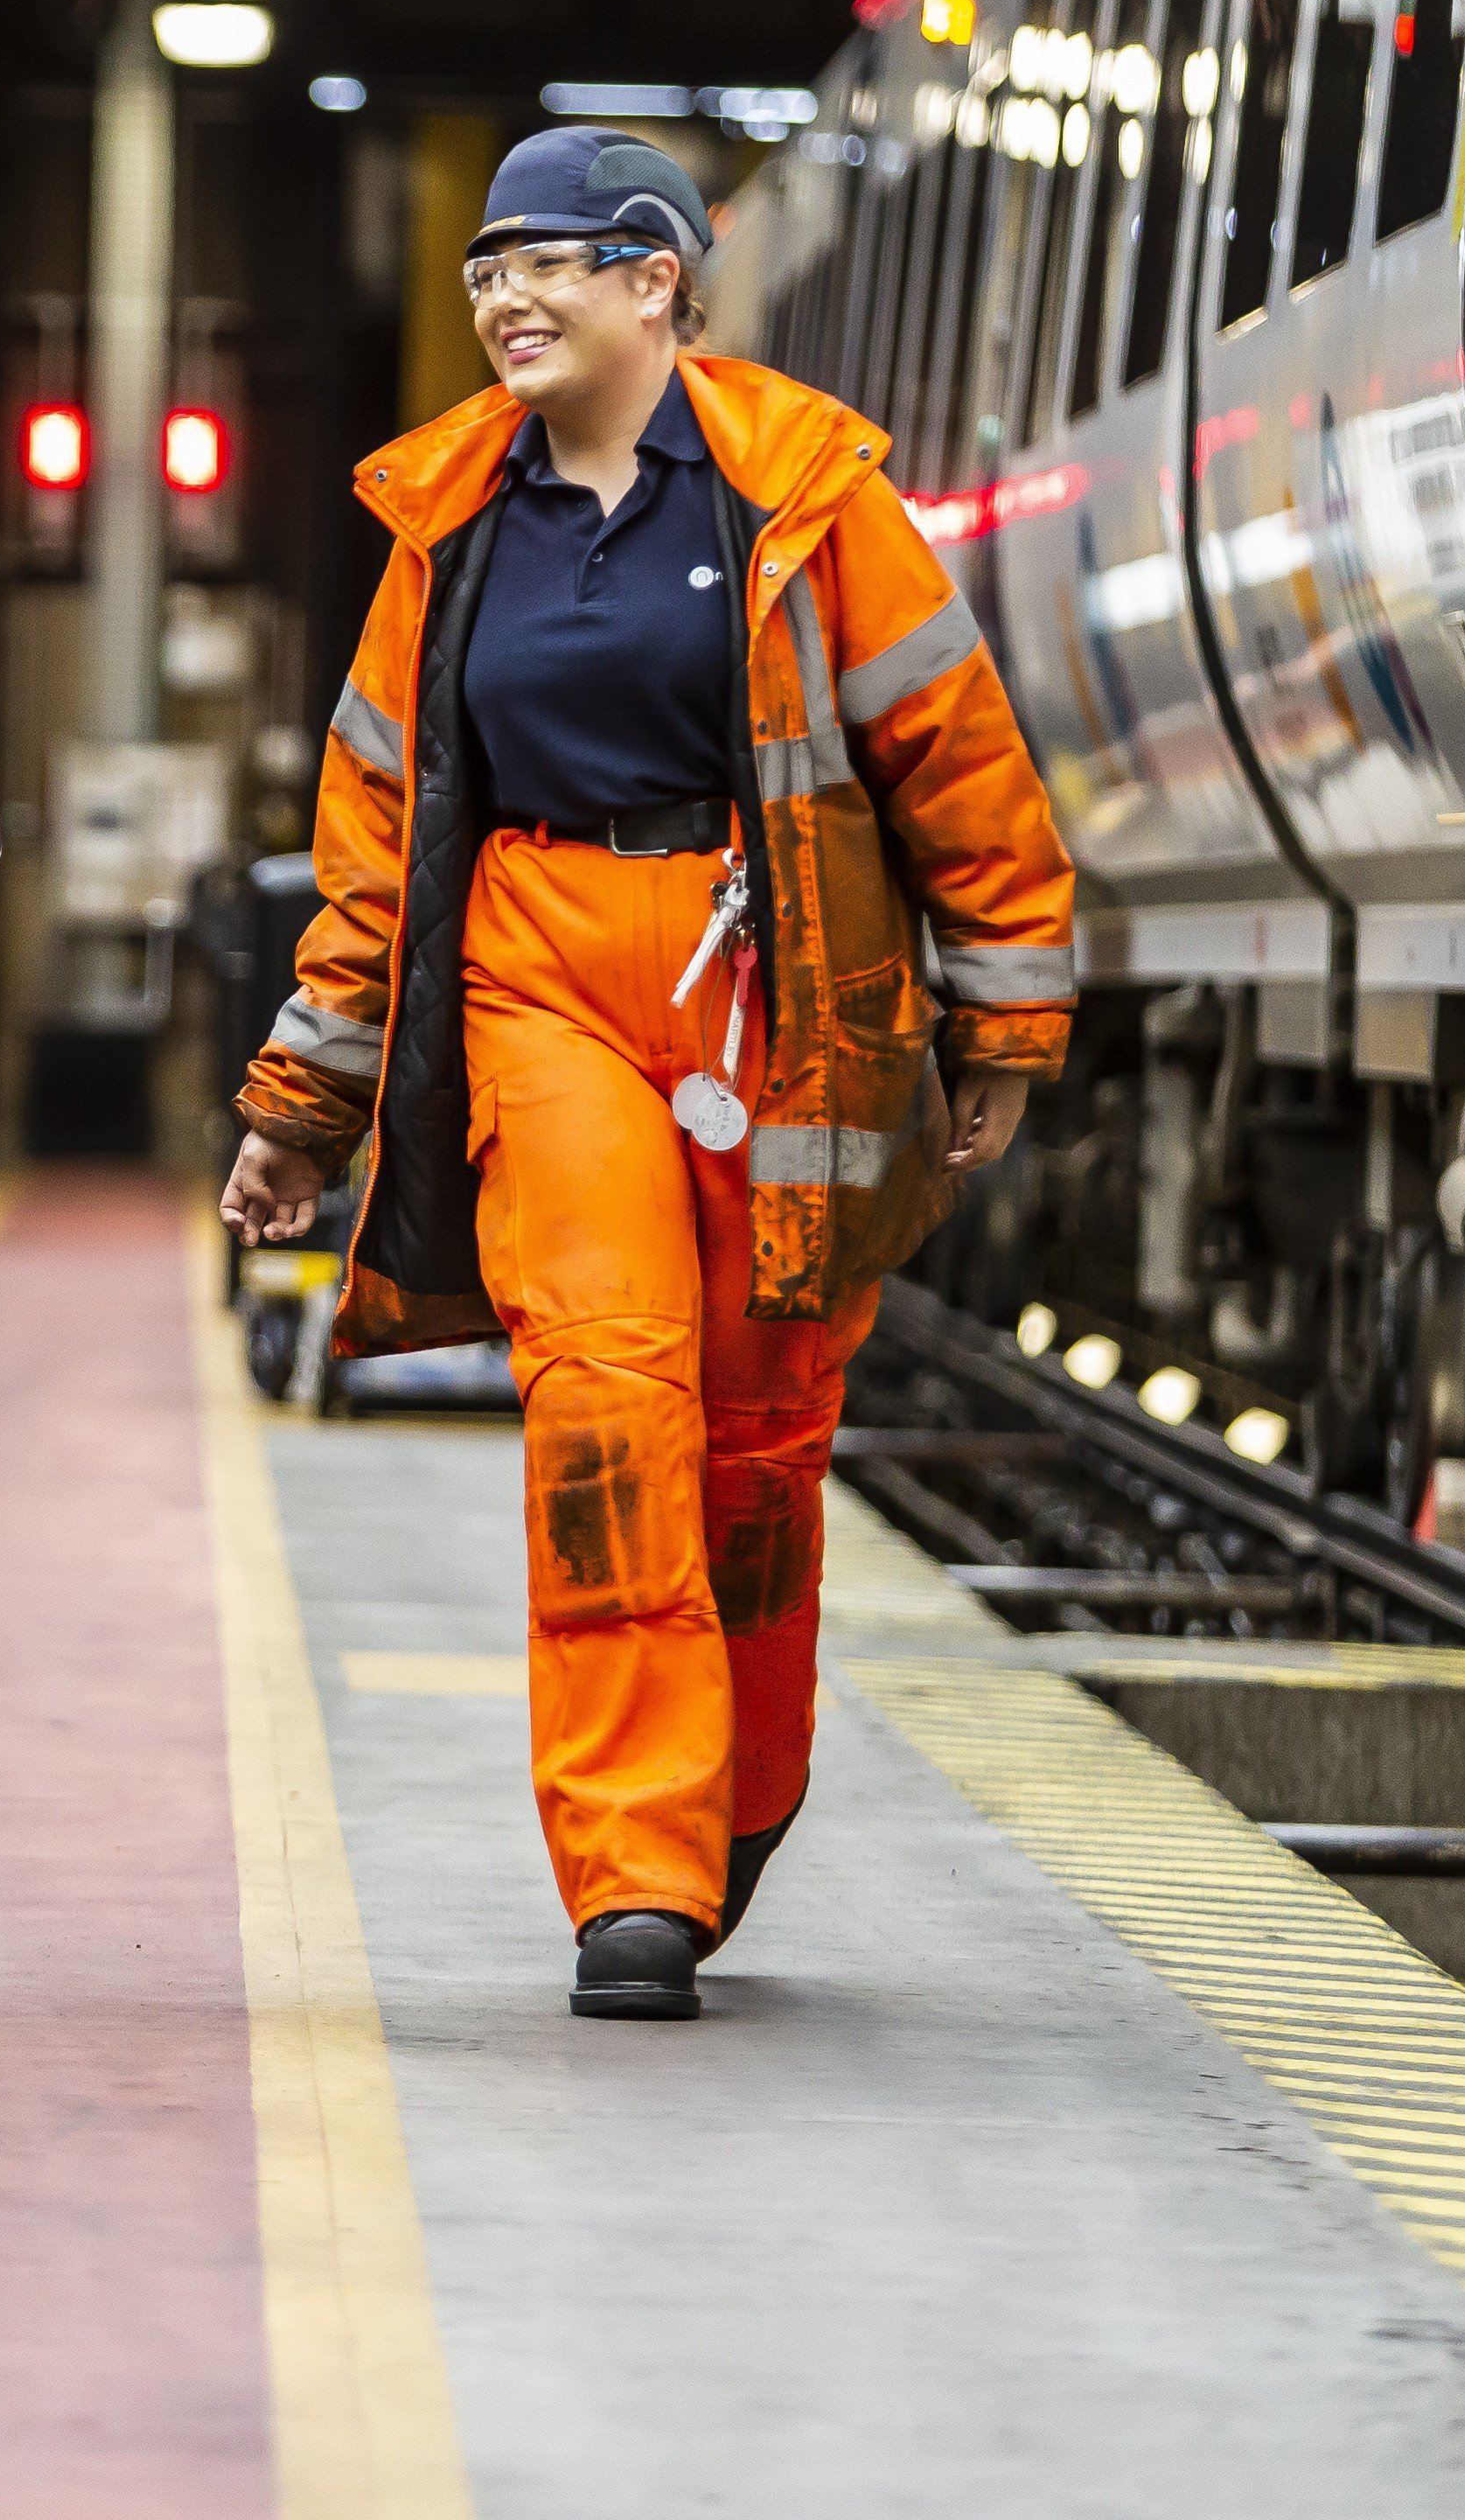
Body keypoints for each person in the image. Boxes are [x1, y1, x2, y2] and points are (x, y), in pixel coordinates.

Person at [220, 127, 1074, 2023]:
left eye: (551, 266)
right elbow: (375, 832)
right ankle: (634, 1868)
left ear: (657, 286)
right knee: (608, 1400)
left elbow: (956, 755)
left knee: (761, 1435)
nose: (505, 299)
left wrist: (1005, 1018)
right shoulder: (447, 528)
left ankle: (736, 1800)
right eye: (487, 273)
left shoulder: (805, 496)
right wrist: (304, 1100)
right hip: (543, 967)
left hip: (772, 977)